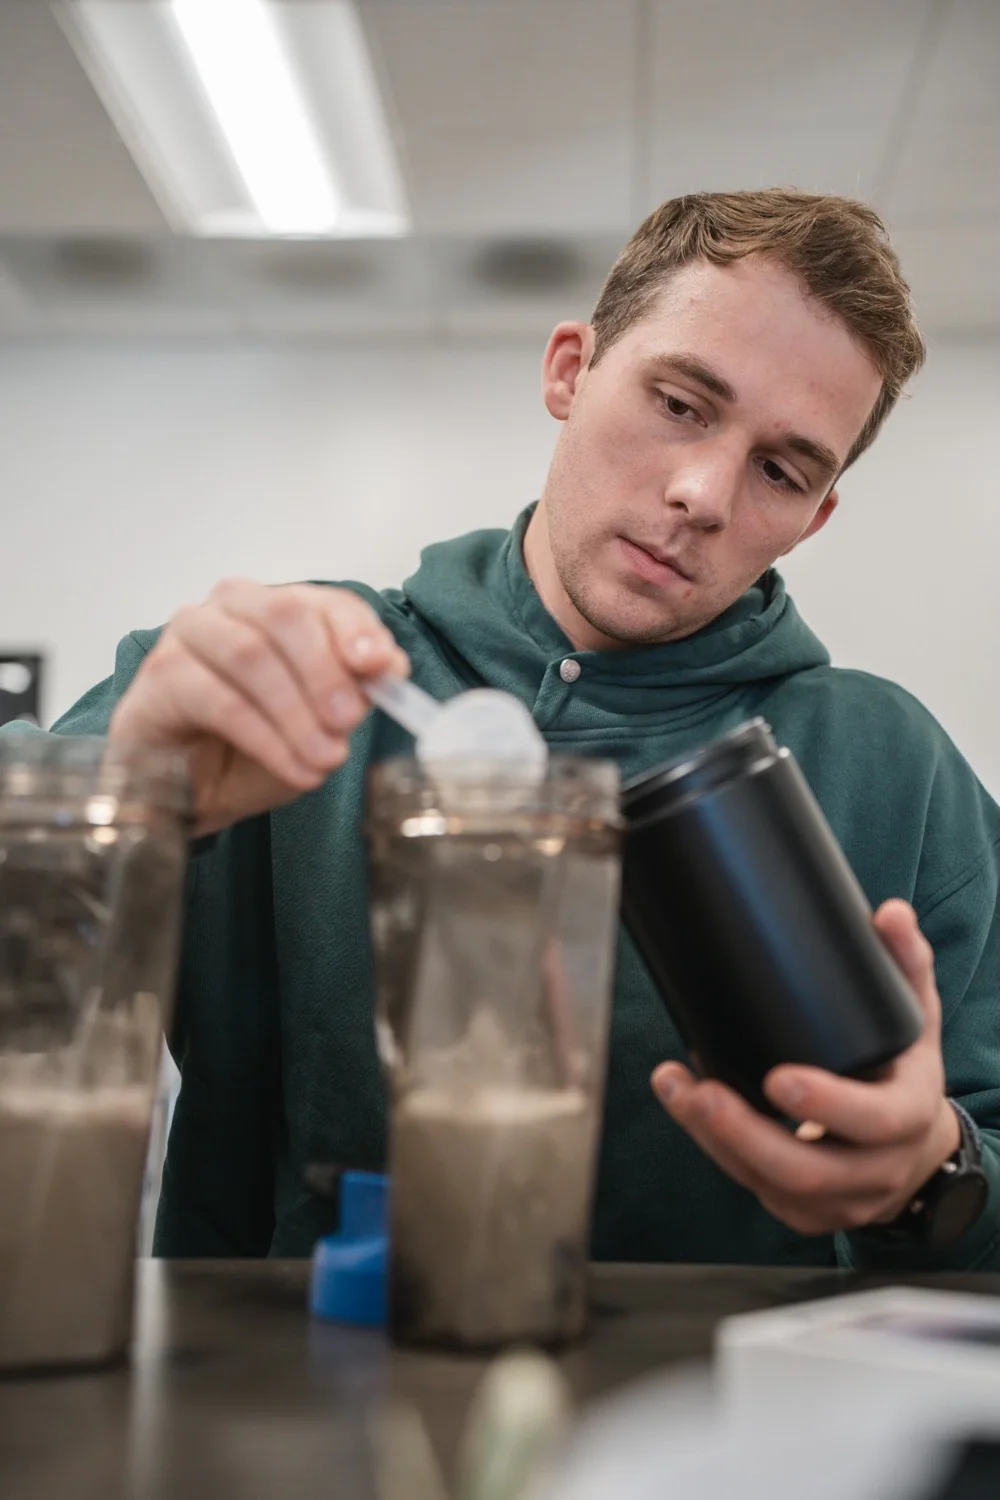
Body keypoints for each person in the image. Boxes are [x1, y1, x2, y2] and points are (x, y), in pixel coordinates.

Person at [9, 190, 998, 1268]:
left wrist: (930, 1175)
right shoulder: (285, 684)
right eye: (678, 403)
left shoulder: (894, 776)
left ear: (814, 516)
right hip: (274, 1407)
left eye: (780, 470)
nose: (701, 492)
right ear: (570, 370)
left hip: (726, 1420)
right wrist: (120, 796)